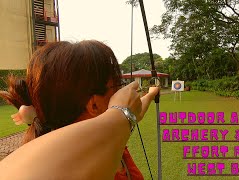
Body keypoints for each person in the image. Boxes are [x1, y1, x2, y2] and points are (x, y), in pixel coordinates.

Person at [0, 40, 160, 179]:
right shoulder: (82, 166)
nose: (122, 92)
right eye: (118, 85)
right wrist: (120, 113)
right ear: (94, 105)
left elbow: (136, 112)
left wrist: (151, 94)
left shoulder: (113, 133)